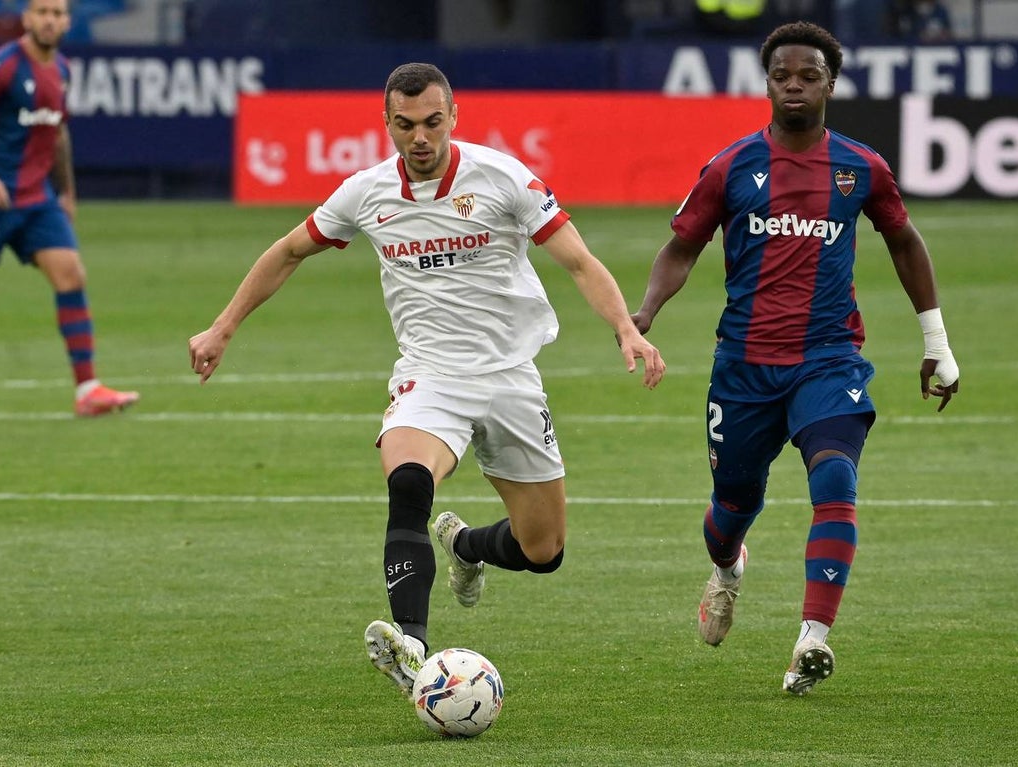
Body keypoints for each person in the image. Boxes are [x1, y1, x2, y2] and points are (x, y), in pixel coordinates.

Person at [188, 63, 666, 700]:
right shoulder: (366, 193)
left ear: (453, 118)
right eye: (405, 125)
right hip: (429, 376)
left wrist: (625, 330)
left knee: (544, 549)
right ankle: (411, 643)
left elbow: (578, 260)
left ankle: (466, 546)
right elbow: (286, 252)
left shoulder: (503, 178)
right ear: (386, 124)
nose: (420, 138)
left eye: (432, 123)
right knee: (409, 481)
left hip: (510, 377)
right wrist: (222, 328)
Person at [631, 21, 958, 695]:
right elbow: (681, 247)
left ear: (830, 84)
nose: (795, 86)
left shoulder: (861, 167)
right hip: (744, 368)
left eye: (808, 75)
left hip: (829, 361)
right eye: (782, 75)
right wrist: (644, 314)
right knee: (732, 504)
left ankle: (812, 639)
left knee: (834, 482)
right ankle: (727, 567)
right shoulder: (731, 166)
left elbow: (905, 242)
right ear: (768, 83)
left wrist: (937, 343)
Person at [0, 0, 139, 419]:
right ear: (27, 19)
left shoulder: (61, 69)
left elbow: (58, 133)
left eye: (58, 13)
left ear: (67, 21)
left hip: (36, 199)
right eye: (42, 12)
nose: (50, 20)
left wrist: (67, 193)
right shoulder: (3, 64)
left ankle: (88, 389)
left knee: (70, 274)